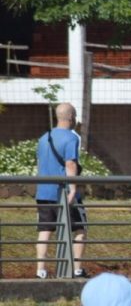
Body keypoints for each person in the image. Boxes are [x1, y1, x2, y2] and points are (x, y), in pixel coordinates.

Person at [35, 102, 88, 279]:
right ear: (71, 117)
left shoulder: (44, 137)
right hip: (64, 193)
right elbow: (70, 163)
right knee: (80, 228)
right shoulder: (71, 138)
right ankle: (76, 269)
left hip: (43, 192)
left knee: (45, 230)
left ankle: (40, 271)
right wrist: (73, 189)